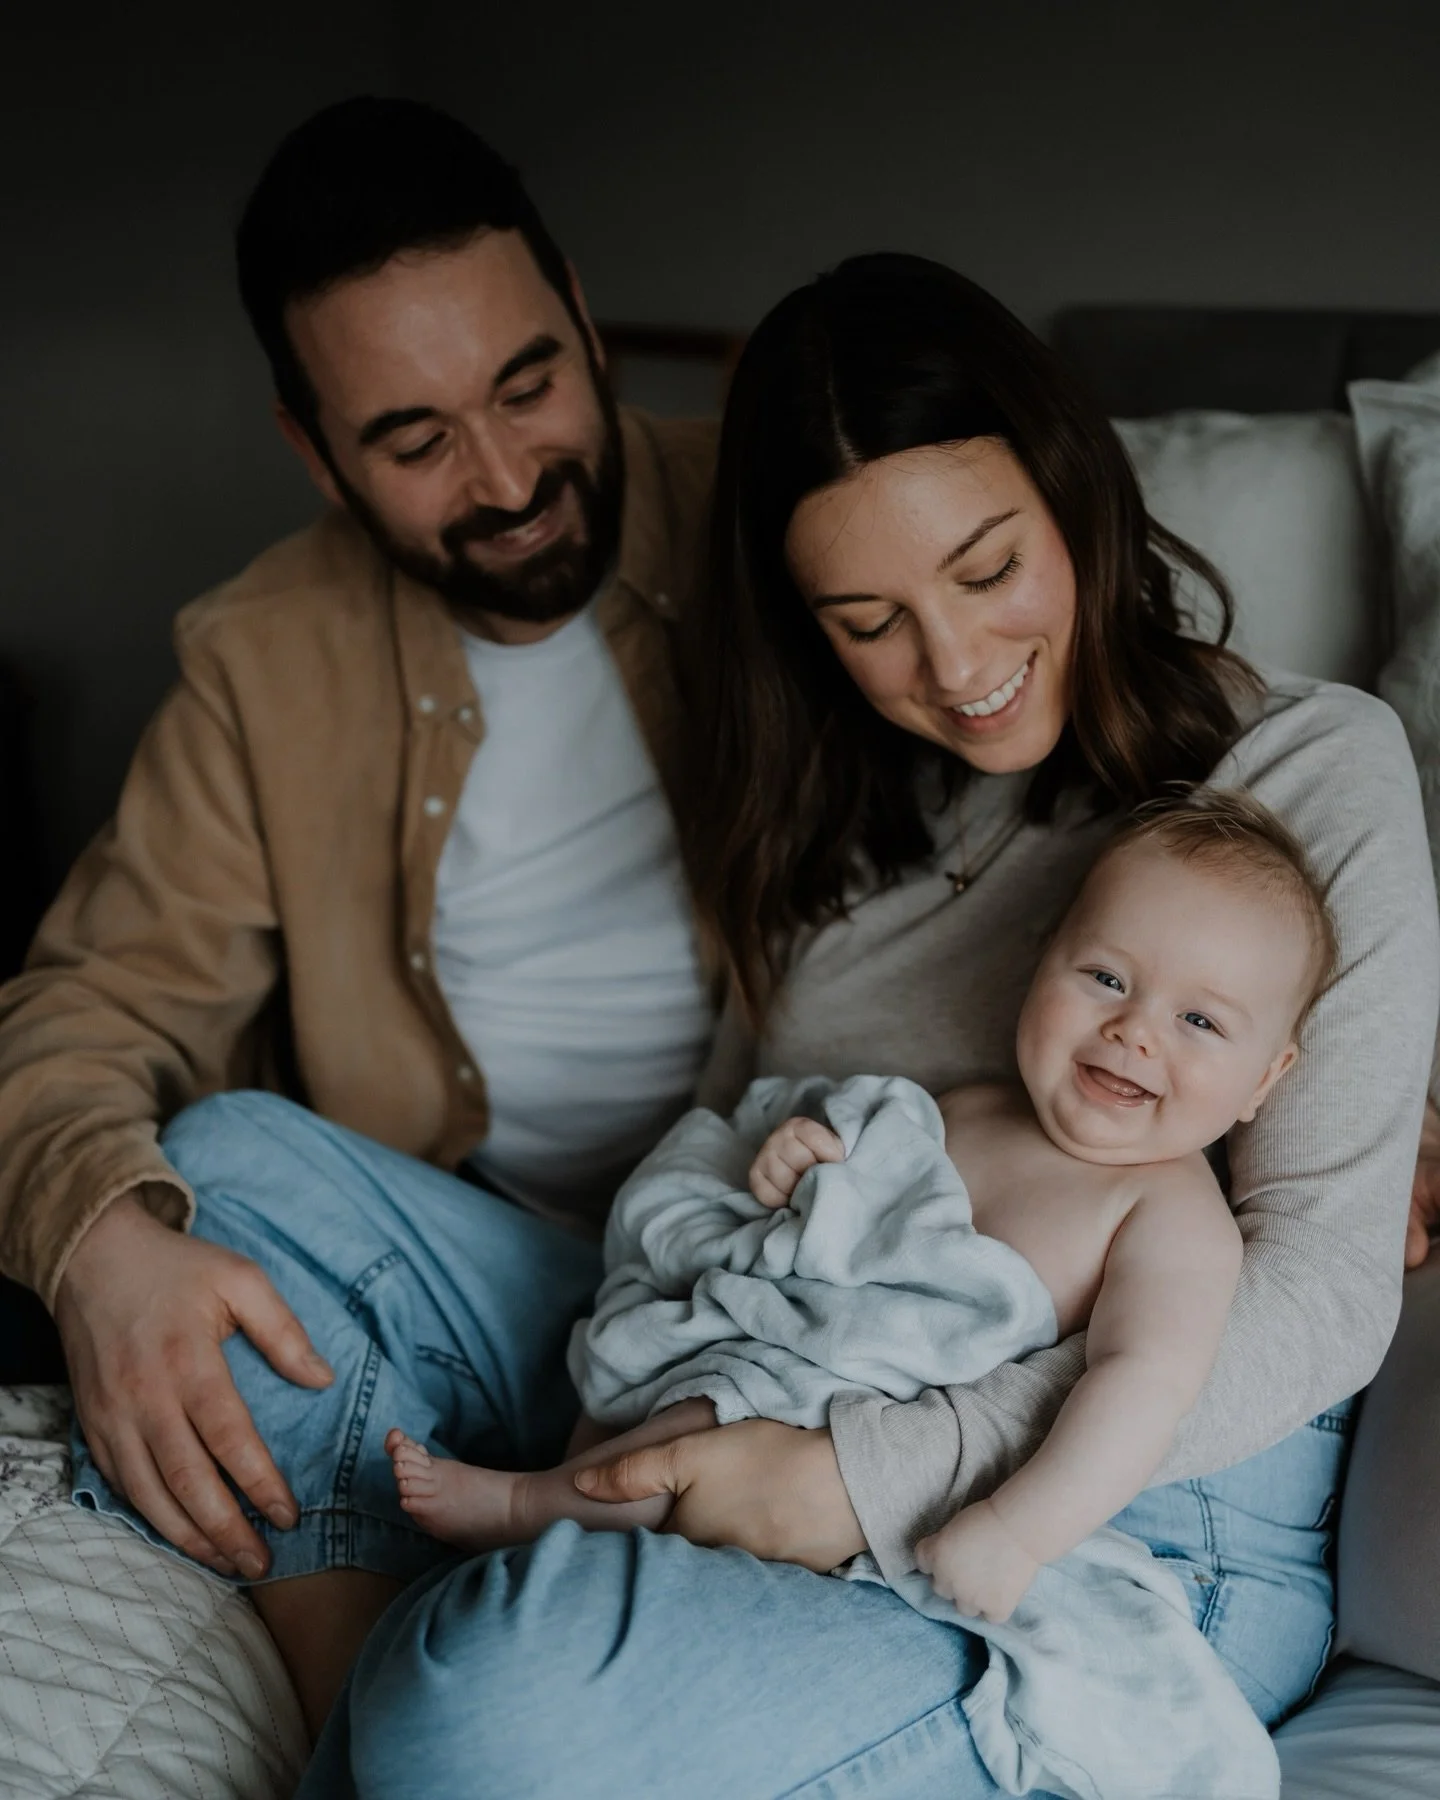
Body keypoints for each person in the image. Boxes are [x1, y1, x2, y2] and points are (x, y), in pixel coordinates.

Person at [240, 251, 1427, 1798]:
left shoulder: (1306, 763)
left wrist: (859, 1475)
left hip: (1105, 1508)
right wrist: (710, 1296)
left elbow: (1324, 1298)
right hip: (764, 1341)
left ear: (1078, 496)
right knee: (236, 1177)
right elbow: (709, 1162)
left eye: (990, 570)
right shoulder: (832, 834)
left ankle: (477, 1685)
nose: (955, 669)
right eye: (869, 621)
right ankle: (385, 1669)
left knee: (482, 1705)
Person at [0, 96, 717, 1734]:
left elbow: (1101, 715)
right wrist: (100, 1245)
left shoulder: (780, 514)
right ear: (314, 450)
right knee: (225, 1169)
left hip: (780, 1257)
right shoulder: (264, 657)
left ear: (585, 314)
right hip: (500, 1281)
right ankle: (365, 1702)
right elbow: (80, 1008)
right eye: (414, 441)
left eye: (529, 383)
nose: (509, 476)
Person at [384, 788, 1332, 1648]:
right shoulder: (967, 1105)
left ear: (1267, 1079)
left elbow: (1143, 1390)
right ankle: (553, 1517)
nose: (1134, 1031)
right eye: (1107, 979)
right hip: (778, 1335)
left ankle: (530, 1508)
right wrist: (797, 1157)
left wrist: (1016, 1529)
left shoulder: (1168, 1212)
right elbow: (844, 1197)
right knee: (649, 1357)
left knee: (708, 1413)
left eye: (1200, 1023)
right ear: (1043, 961)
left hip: (840, 1439)